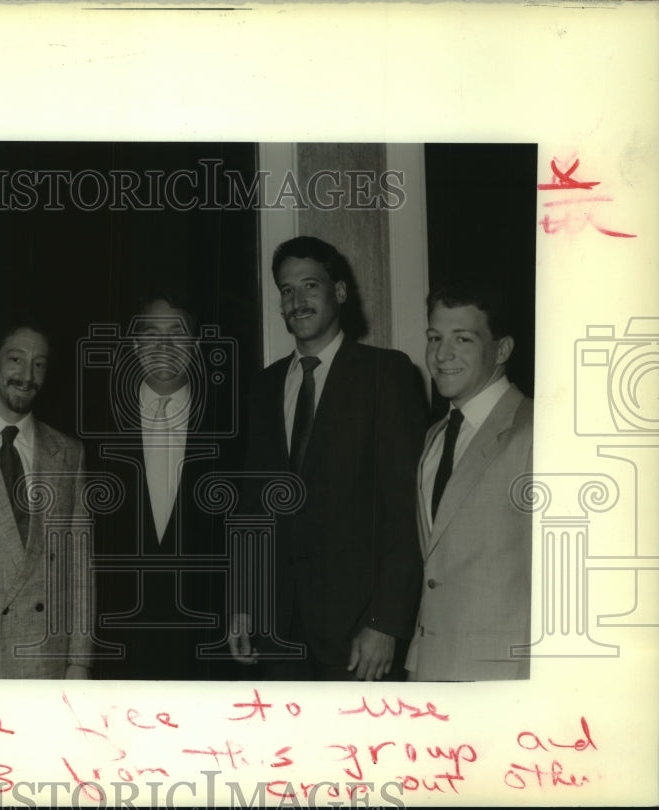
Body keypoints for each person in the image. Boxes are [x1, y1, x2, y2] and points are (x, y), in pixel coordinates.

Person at [228, 236, 427, 680]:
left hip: (359, 635)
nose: (297, 301)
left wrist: (387, 623)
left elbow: (406, 511)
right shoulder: (262, 388)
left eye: (309, 286)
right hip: (276, 630)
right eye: (286, 290)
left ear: (339, 292)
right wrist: (243, 602)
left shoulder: (387, 374)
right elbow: (251, 505)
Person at [91, 289, 236, 680]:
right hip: (117, 642)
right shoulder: (96, 425)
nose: (164, 345)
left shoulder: (232, 423)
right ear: (135, 345)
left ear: (195, 342)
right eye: (151, 334)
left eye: (177, 333)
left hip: (204, 641)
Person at [0, 314, 91, 679]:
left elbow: (80, 568)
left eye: (38, 364)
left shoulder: (68, 453)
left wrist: (80, 662)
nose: (27, 375)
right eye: (15, 359)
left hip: (49, 659)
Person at [405, 280, 534, 681]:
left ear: (503, 349)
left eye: (462, 339)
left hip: (503, 679)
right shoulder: (435, 437)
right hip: (432, 671)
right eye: (434, 337)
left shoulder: (538, 431)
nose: (442, 355)